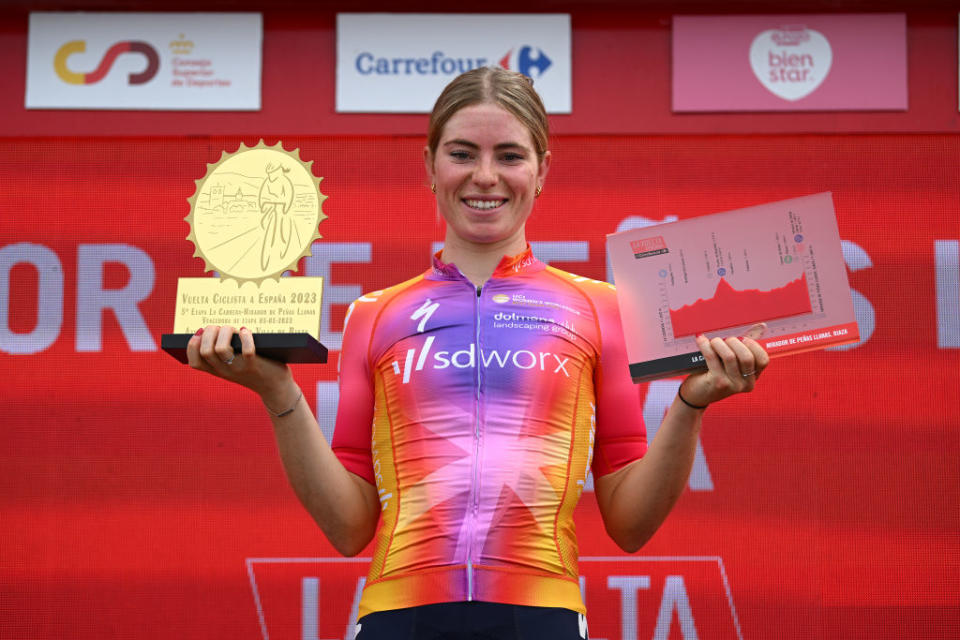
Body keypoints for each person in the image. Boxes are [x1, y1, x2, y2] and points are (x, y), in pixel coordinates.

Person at [186, 67, 770, 640]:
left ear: (542, 170)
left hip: (540, 613)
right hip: (400, 614)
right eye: (463, 153)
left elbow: (631, 524)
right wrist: (277, 390)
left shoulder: (602, 308)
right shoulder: (374, 314)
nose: (485, 176)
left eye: (510, 156)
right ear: (430, 167)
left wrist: (691, 404)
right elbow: (347, 527)